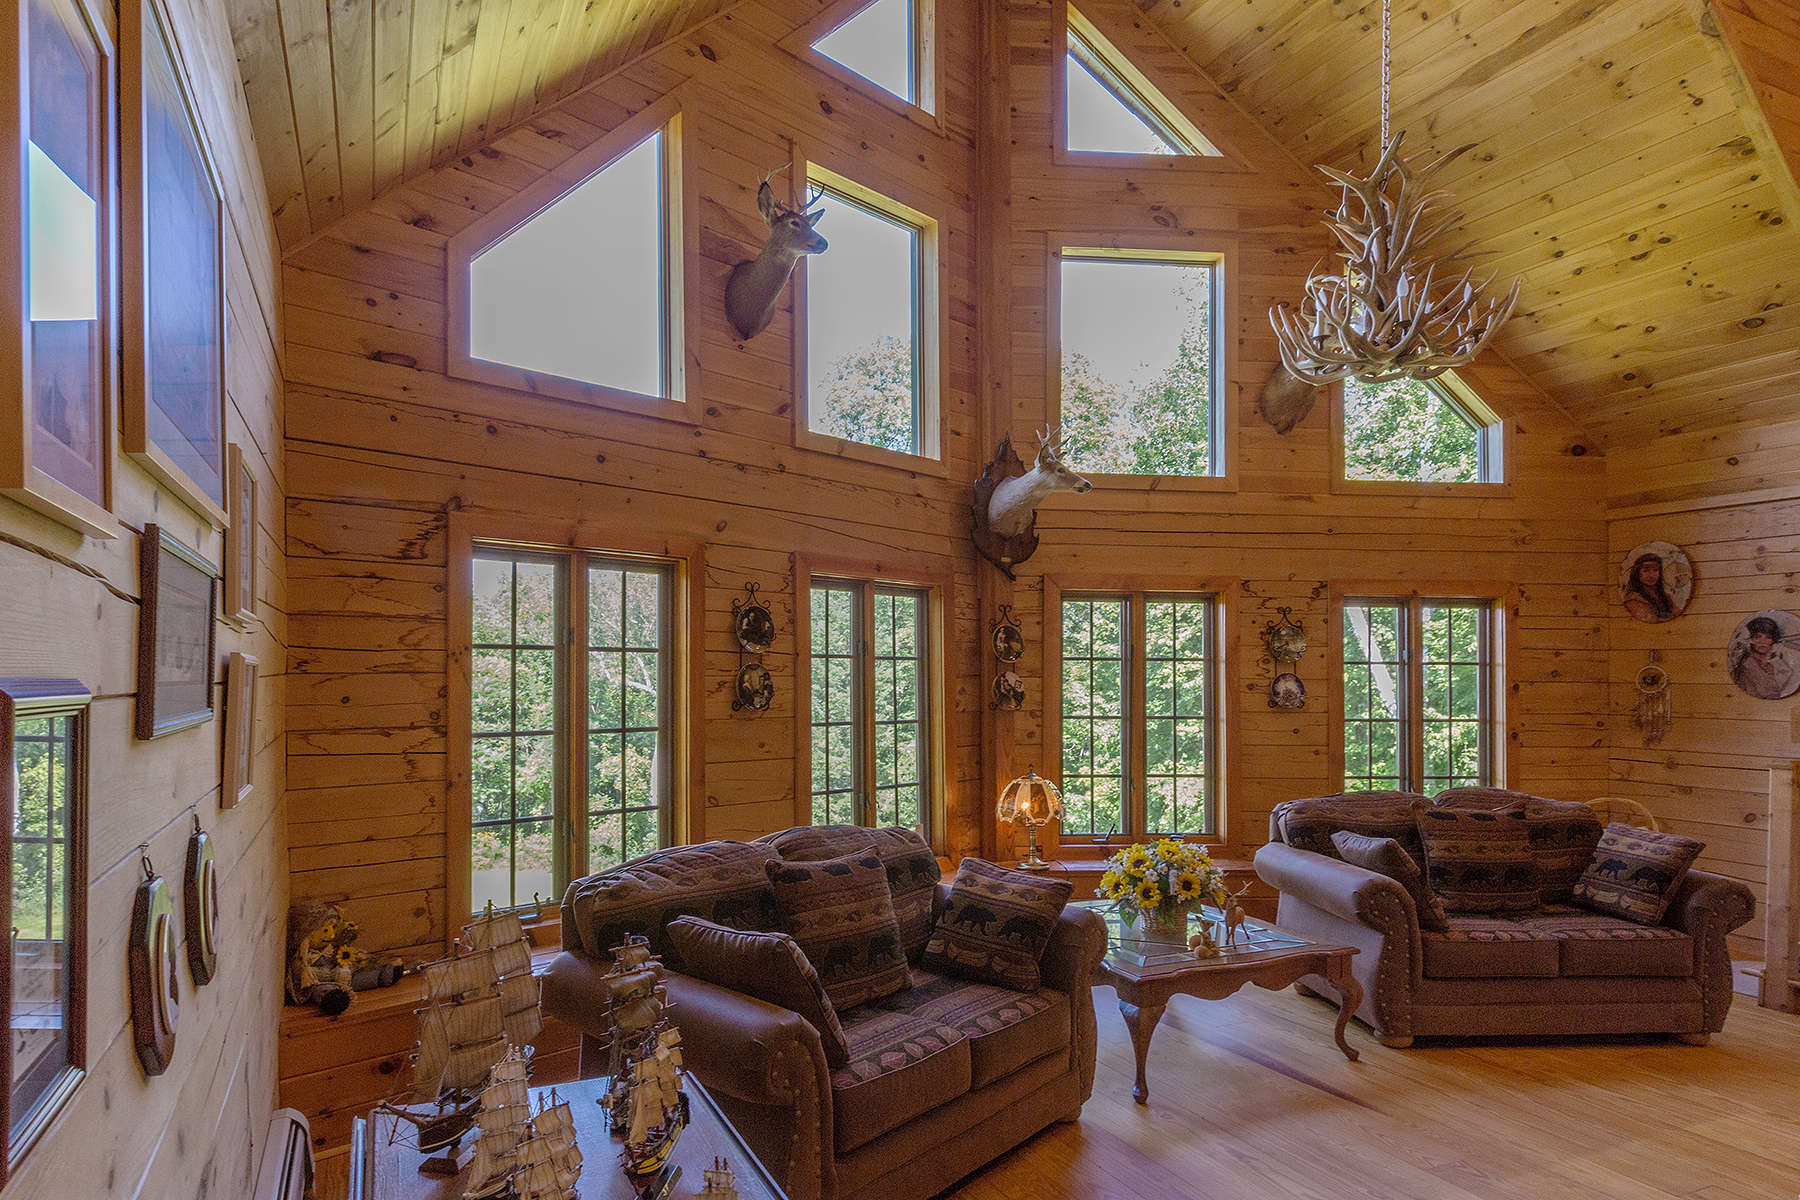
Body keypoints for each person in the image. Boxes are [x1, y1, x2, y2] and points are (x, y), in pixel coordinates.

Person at [1730, 615, 1800, 700]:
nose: (1763, 641)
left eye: (1768, 637)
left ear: (1773, 641)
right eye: (1758, 637)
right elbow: (1769, 694)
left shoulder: (1769, 665)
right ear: (1751, 639)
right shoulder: (1749, 663)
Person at [1622, 552, 1682, 622]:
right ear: (1638, 573)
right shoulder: (1634, 599)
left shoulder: (1665, 596)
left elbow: (1679, 615)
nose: (1651, 575)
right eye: (1646, 571)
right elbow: (1652, 623)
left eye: (1655, 570)